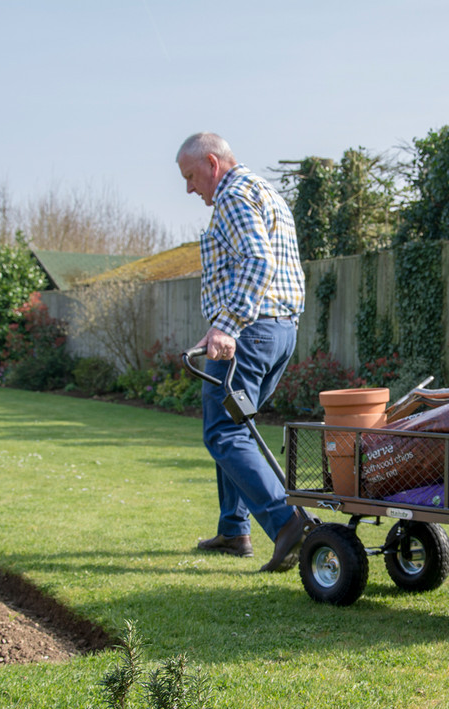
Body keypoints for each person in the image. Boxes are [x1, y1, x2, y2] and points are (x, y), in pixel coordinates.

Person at [176, 132, 308, 572]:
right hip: (278, 330)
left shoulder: (233, 195)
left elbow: (257, 261)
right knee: (238, 426)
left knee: (223, 432)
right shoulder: (264, 190)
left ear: (212, 163)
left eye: (191, 176)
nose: (190, 188)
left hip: (250, 332)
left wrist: (228, 325)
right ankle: (234, 528)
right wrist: (217, 327)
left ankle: (287, 522)